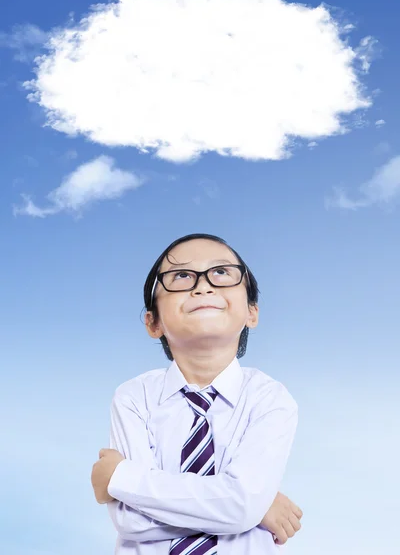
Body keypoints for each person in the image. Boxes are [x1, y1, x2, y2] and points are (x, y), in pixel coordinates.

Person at [91, 233, 302, 554]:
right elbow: (131, 520)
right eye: (181, 276)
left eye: (221, 273)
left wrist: (121, 478)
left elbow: (242, 506)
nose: (203, 286)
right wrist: (252, 509)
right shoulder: (134, 397)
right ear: (153, 322)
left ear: (252, 312)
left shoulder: (270, 398)